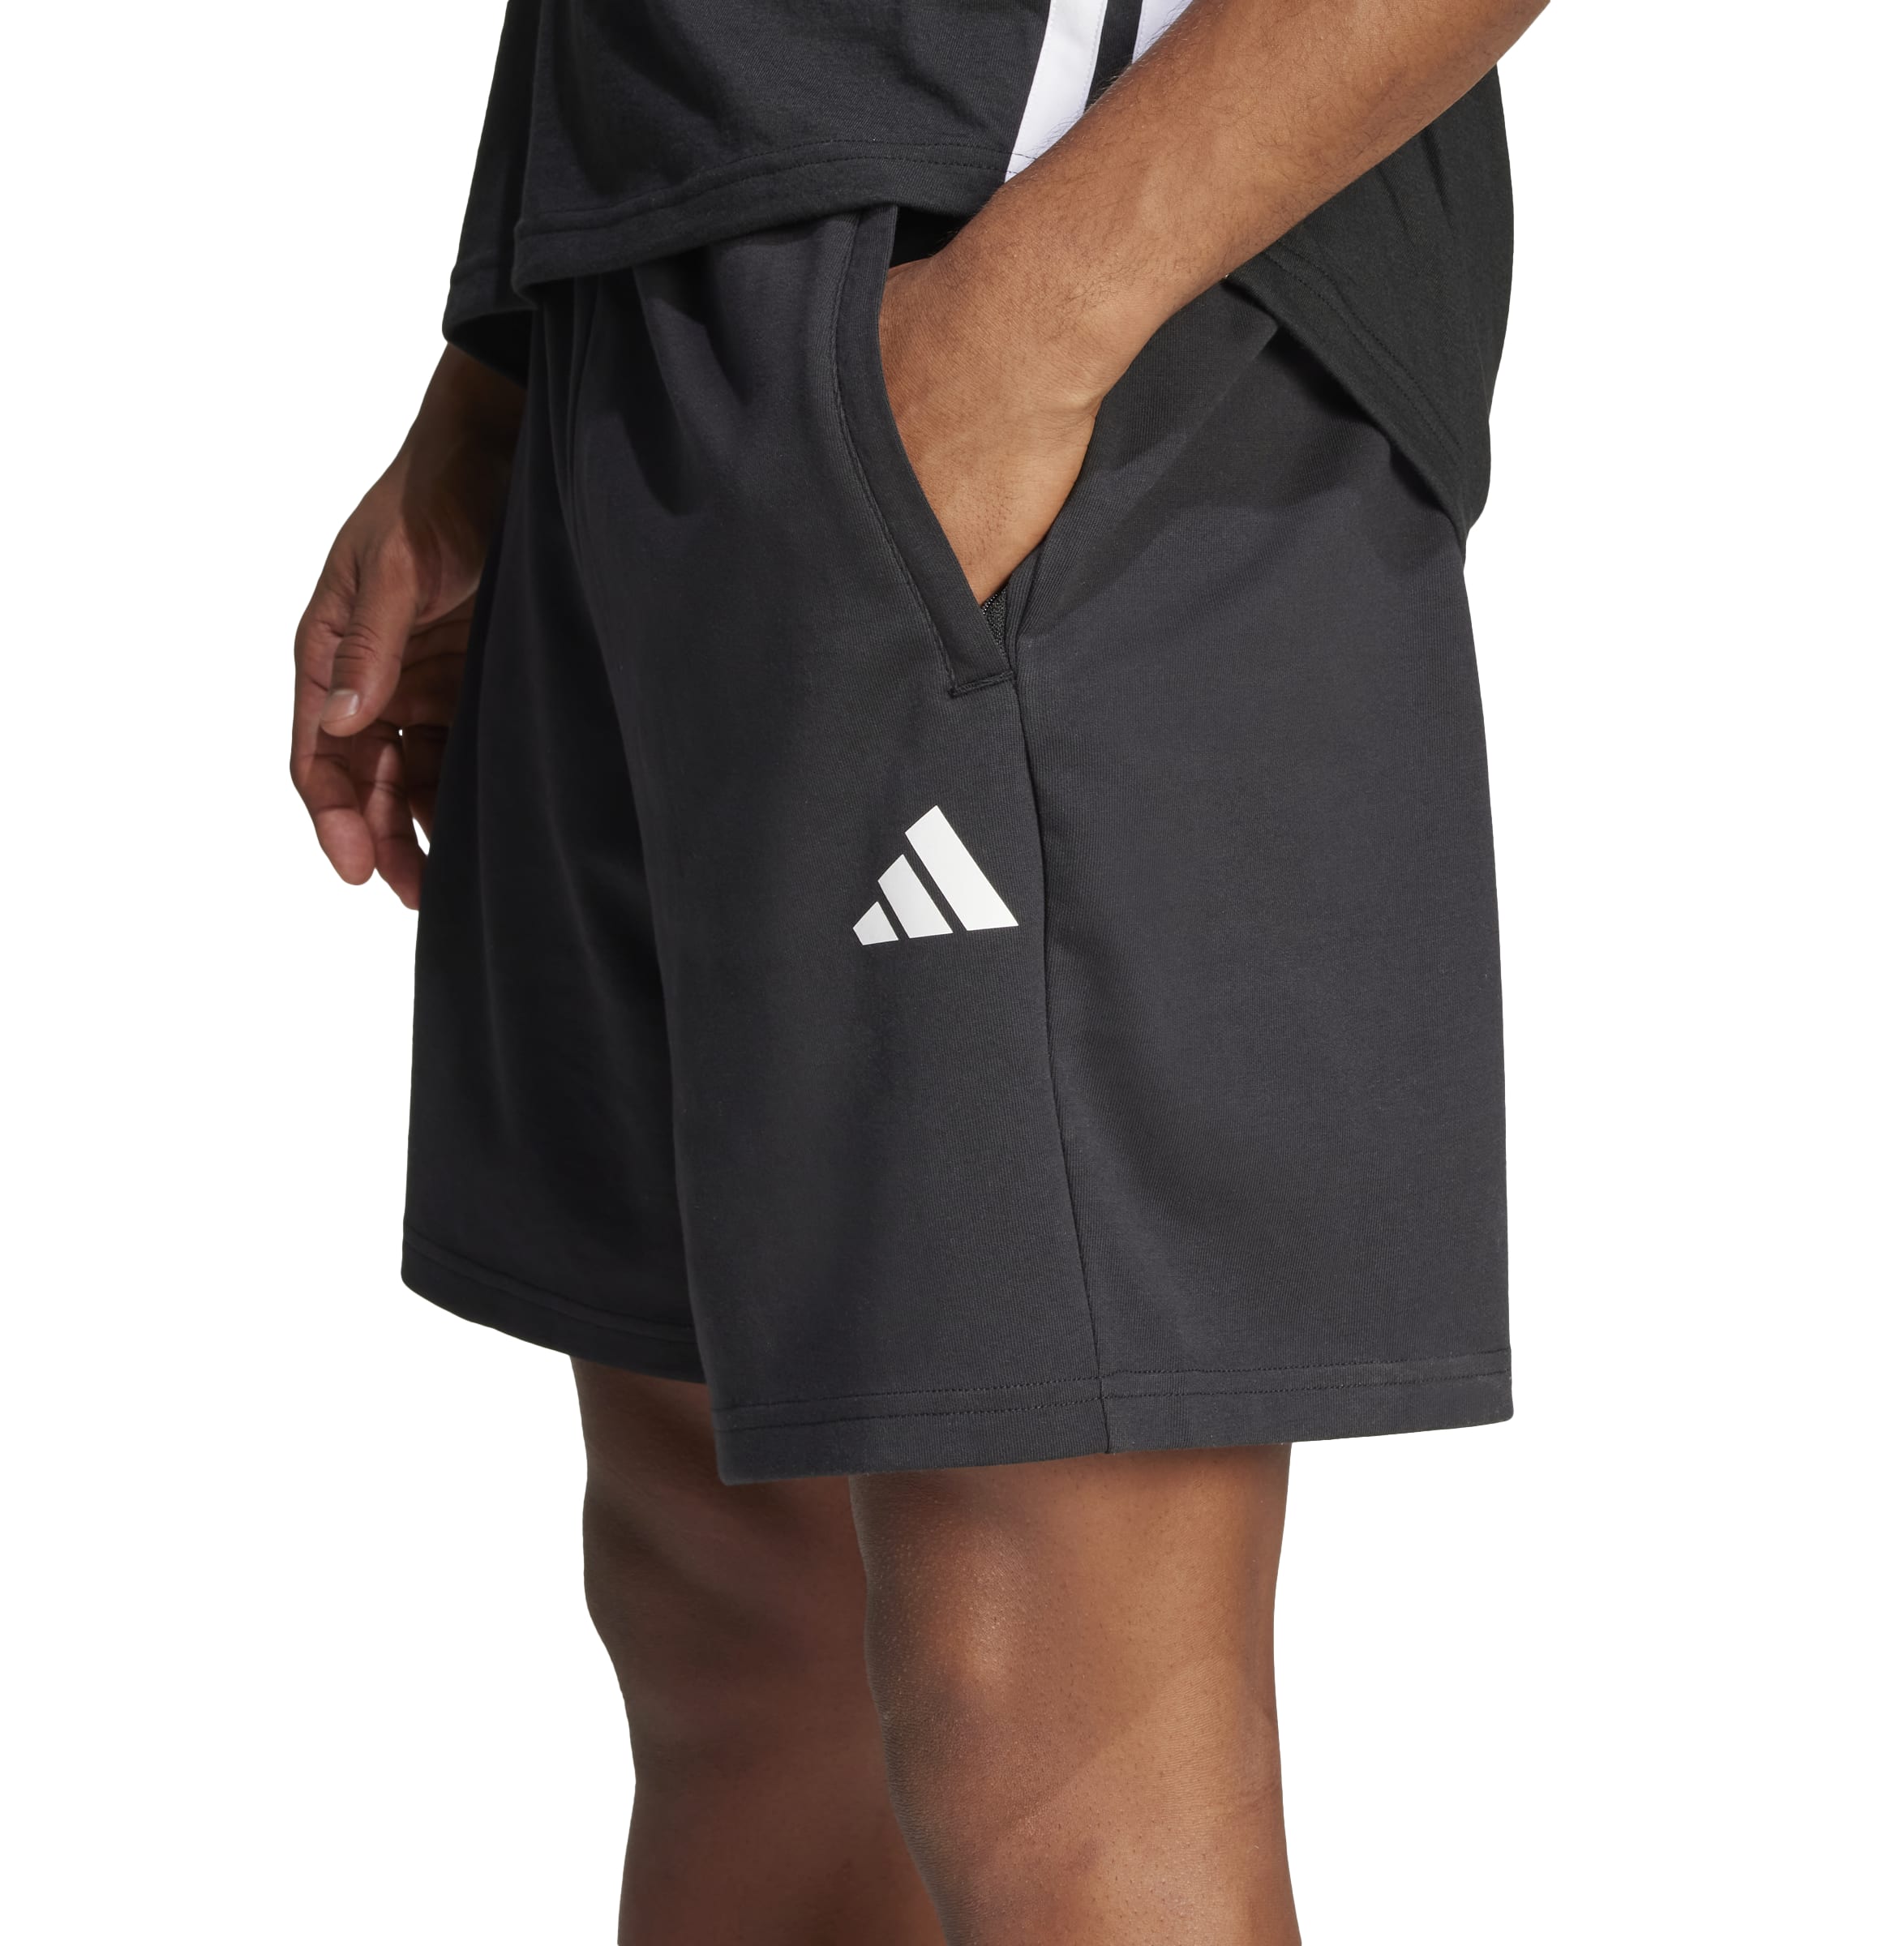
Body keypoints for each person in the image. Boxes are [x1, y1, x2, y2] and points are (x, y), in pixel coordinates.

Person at [292, 0, 1545, 1935]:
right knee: (738, 1638)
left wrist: (1025, 326)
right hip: (645, 325)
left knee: (1052, 1735)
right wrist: (501, 374)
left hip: (1046, 298)